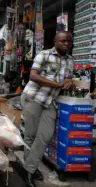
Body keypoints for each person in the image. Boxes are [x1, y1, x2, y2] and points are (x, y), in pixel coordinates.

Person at [21, 31, 74, 187]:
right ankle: (30, 169)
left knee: (46, 136)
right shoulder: (44, 55)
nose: (66, 44)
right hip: (33, 98)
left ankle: (28, 168)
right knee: (30, 135)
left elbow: (69, 78)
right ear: (55, 41)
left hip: (50, 102)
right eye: (63, 41)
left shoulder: (70, 60)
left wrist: (70, 81)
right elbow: (34, 76)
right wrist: (57, 84)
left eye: (69, 42)